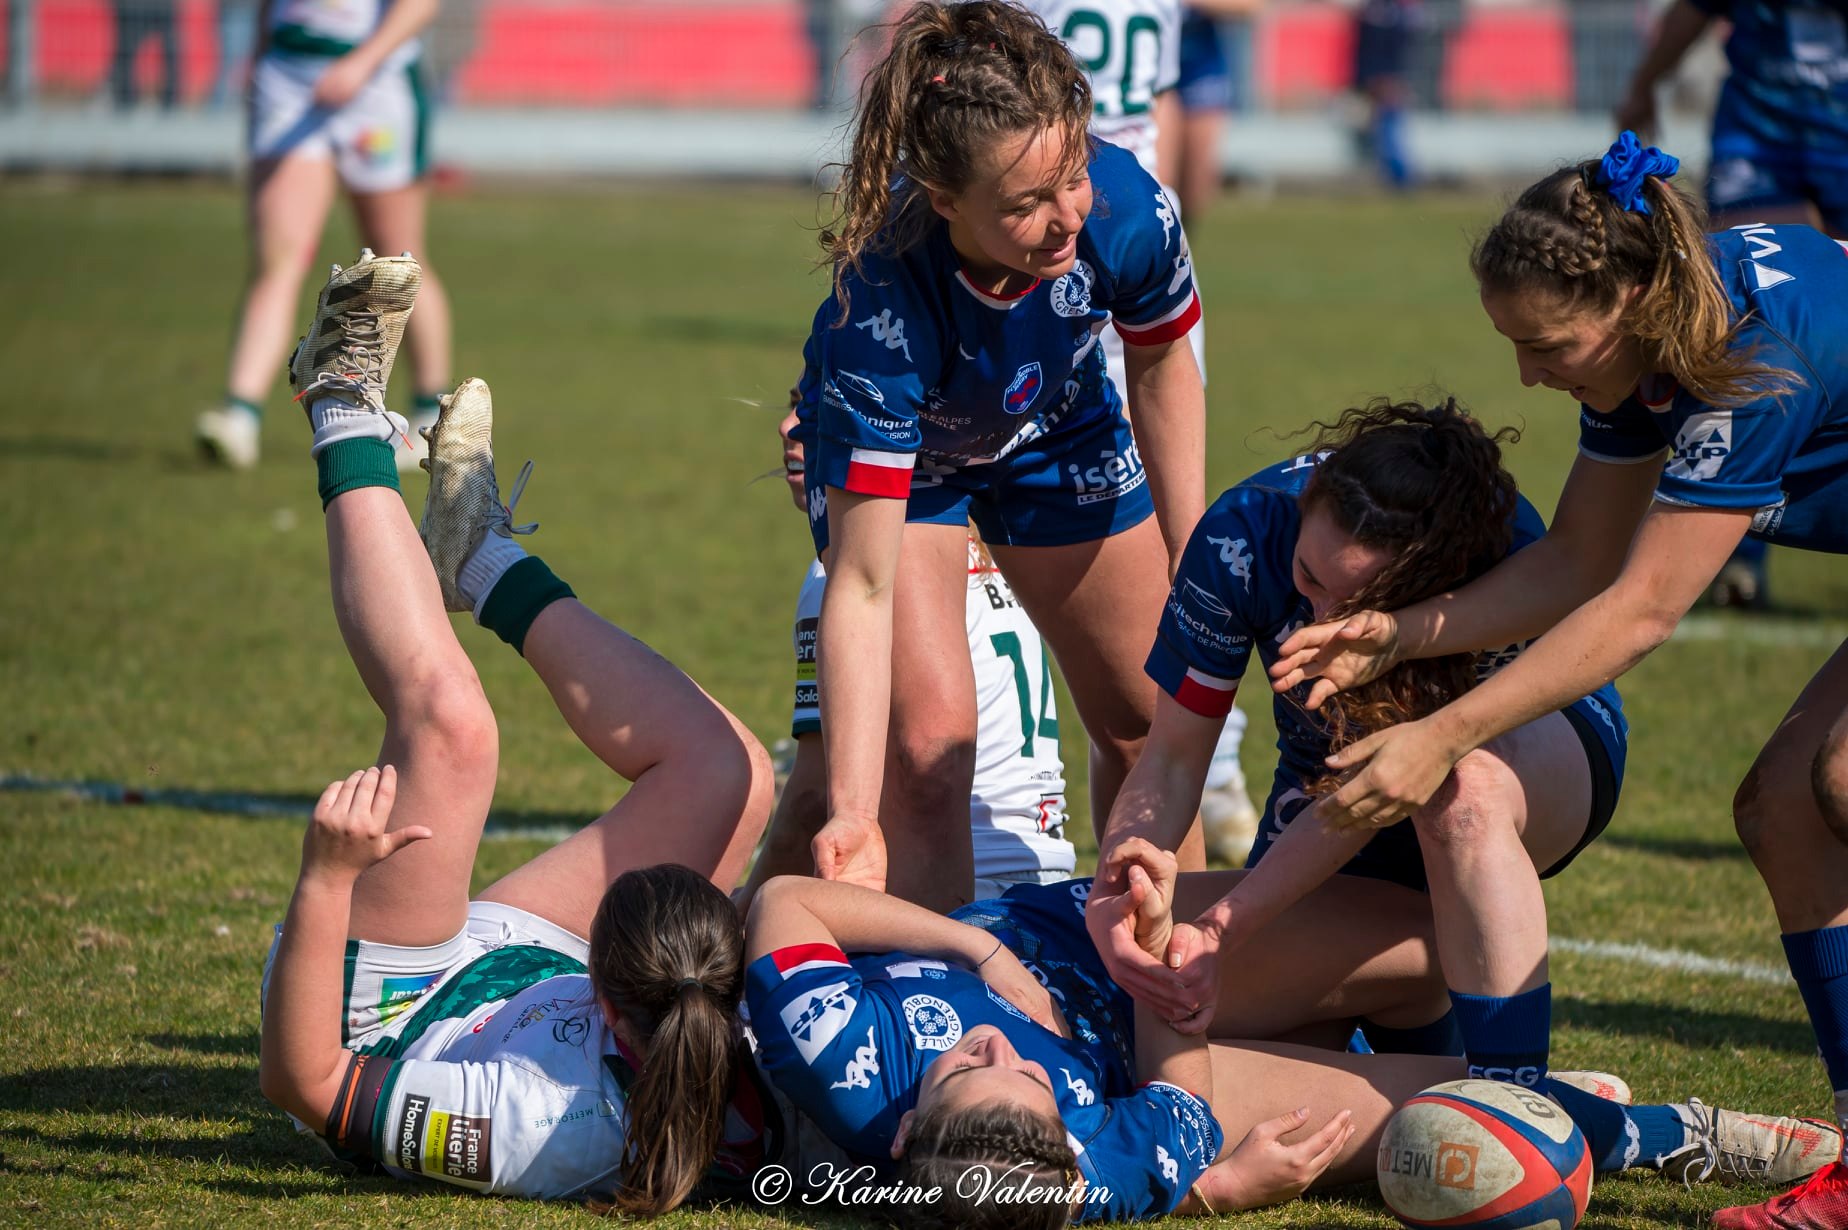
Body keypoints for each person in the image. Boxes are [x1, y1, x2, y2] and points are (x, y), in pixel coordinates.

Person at [1263, 134, 1848, 1229]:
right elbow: (1577, 560)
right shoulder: (1650, 339)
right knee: (1784, 811)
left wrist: (1440, 738)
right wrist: (1398, 632)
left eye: (1547, 345)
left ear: (1626, 296)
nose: (1530, 374)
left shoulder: (1753, 360)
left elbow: (1639, 609)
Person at [257, 251, 777, 1211]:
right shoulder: (713, 1019)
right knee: (732, 774)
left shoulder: (540, 1125)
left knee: (454, 729)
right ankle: (480, 554)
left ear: (606, 1006)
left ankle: (335, 393)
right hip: (516, 983)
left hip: (387, 1018)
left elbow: (308, 1084)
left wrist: (328, 881)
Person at [743, 847, 1836, 1224]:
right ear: (1065, 1147)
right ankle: (1672, 1130)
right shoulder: (1083, 1176)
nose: (1006, 1054)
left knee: (1424, 940)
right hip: (1159, 1039)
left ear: (898, 1138)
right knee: (1463, 1127)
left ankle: (1360, 1039)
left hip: (1047, 938)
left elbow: (789, 899)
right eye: (1026, 1085)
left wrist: (982, 955)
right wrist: (1165, 962)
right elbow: (1177, 1098)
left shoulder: (841, 1058)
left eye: (974, 1069)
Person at [1087, 397, 1635, 1123]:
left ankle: (1517, 1112)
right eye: (1309, 580)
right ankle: (1533, 1098)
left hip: (1531, 748)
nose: (1318, 621)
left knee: (1458, 792)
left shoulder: (1495, 551)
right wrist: (1120, 872)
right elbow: (1175, 760)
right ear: (1307, 505)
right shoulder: (1242, 536)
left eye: (1352, 609)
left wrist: (1227, 922)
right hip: (1329, 772)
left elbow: (1383, 793)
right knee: (1225, 1034)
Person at [793, 0, 1209, 909]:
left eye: (1071, 178)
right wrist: (857, 813)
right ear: (945, 202)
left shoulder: (1126, 203)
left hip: (1056, 423)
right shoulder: (883, 308)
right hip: (919, 463)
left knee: (1151, 724)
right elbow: (860, 586)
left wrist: (1191, 551)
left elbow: (1163, 360)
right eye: (1024, 205)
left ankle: (1170, 991)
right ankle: (950, 1013)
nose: (1065, 218)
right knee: (930, 756)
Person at [743, 406, 1077, 909]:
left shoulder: (846, 578)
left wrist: (741, 920)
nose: (788, 425)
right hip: (1050, 883)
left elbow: (812, 800)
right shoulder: (999, 552)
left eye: (816, 405)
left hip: (951, 886)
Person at [1616, 0, 1848, 610]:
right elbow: (1693, 11)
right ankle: (1731, 557)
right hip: (1763, 125)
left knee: (1824, 317)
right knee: (1743, 311)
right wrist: (1644, 84)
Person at [194, 0, 453, 473]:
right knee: (278, 257)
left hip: (376, 85)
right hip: (291, 80)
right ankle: (239, 414)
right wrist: (257, 55)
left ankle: (429, 416)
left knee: (402, 261)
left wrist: (363, 60)